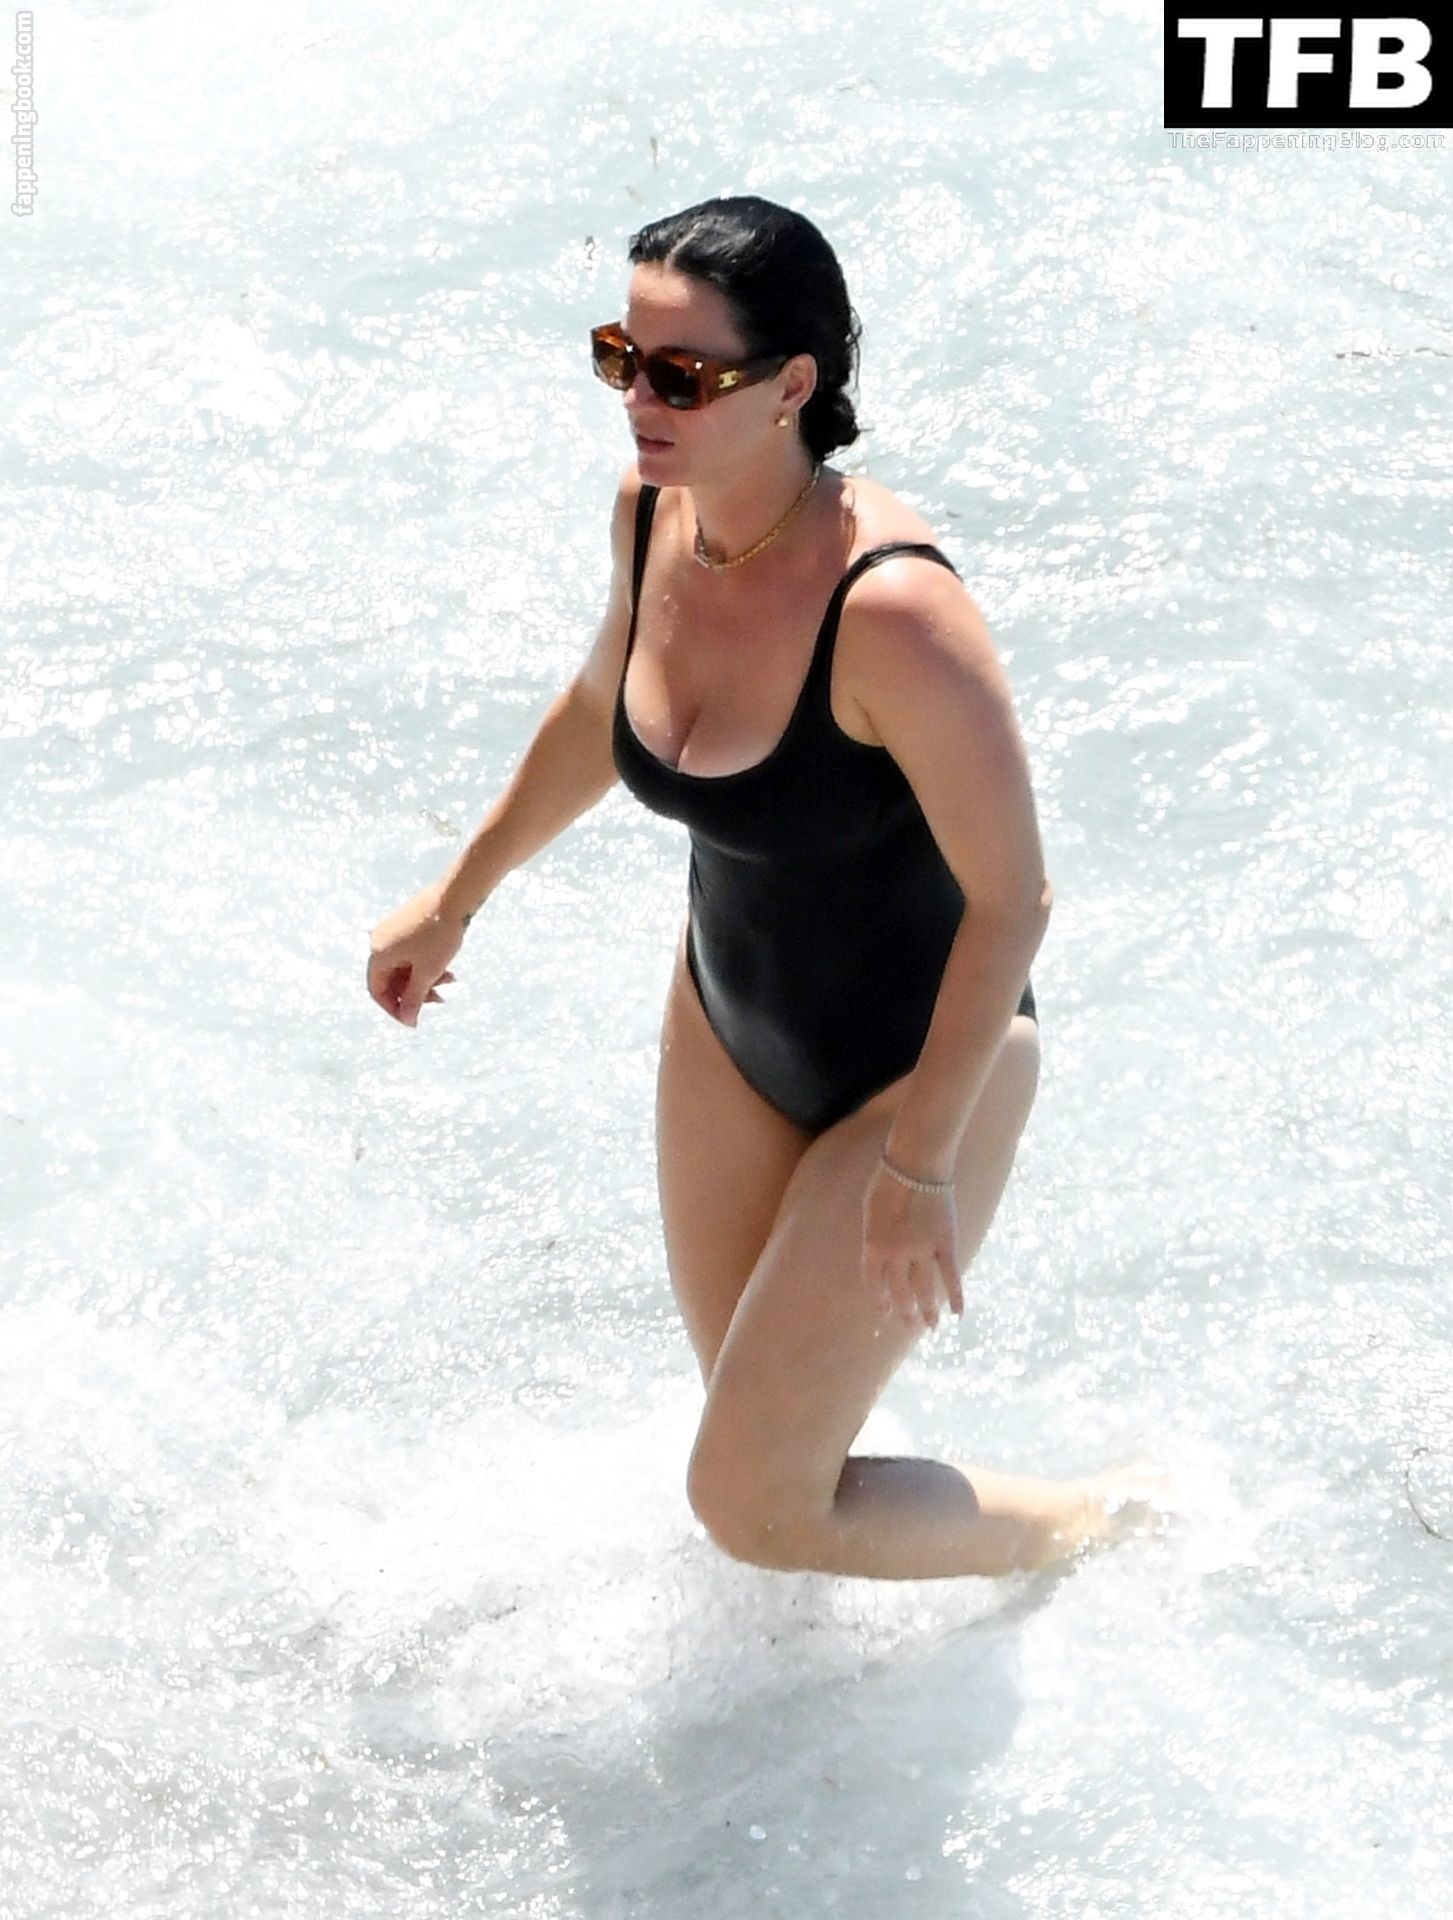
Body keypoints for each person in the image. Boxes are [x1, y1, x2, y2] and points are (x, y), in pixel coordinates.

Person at [368, 195, 1171, 1579]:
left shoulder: (893, 612)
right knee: (756, 1446)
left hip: (918, 1073)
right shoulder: (651, 519)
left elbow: (1015, 899)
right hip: (729, 1025)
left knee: (752, 1502)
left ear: (793, 384)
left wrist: (920, 1160)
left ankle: (1096, 1529)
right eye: (621, 357)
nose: (638, 398)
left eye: (681, 374)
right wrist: (455, 900)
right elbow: (598, 710)